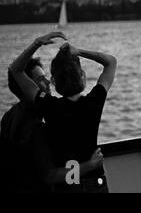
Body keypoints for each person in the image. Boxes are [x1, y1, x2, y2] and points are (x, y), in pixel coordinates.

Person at [9, 32, 117, 193]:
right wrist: (79, 51)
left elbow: (16, 70)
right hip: (96, 183)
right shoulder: (94, 102)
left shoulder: (48, 105)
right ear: (82, 76)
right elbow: (111, 62)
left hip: (68, 185)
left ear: (53, 81)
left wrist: (37, 43)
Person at [0, 57, 104, 193]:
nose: (48, 81)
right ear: (26, 85)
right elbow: (51, 176)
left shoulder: (9, 116)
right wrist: (90, 165)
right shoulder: (36, 128)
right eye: (41, 79)